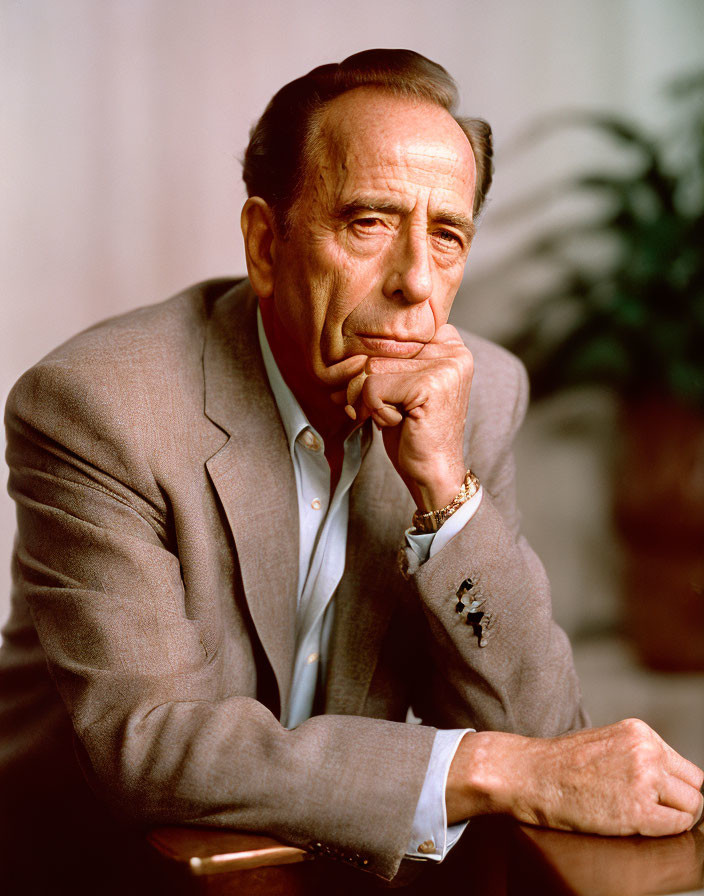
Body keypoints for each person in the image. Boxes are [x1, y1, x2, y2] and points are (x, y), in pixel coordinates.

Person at [1, 48, 702, 893]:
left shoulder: (478, 393)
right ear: (266, 244)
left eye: (447, 236)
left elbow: (541, 734)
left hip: (328, 861)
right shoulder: (101, 404)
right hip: (88, 866)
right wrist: (493, 767)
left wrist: (447, 493)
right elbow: (149, 745)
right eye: (368, 222)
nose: (416, 283)